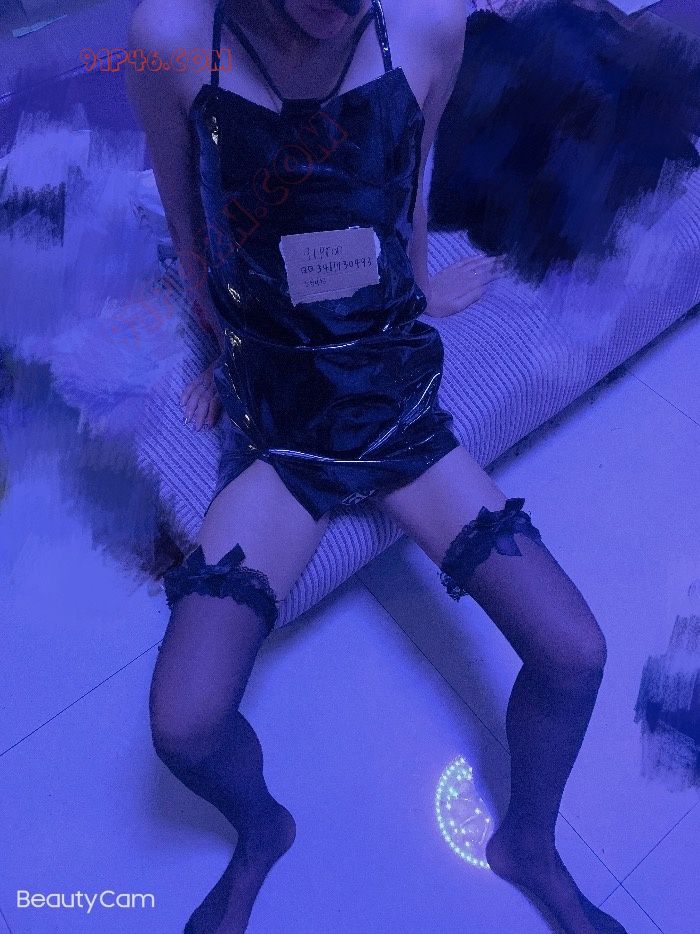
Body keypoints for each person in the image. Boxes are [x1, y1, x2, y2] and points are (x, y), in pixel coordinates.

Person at [126, 1, 626, 931]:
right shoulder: (169, 35)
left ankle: (530, 843)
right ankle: (262, 831)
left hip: (391, 396)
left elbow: (408, 185)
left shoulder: (428, 21)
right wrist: (212, 350)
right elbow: (190, 225)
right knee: (184, 724)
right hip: (281, 420)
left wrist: (423, 286)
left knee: (575, 654)